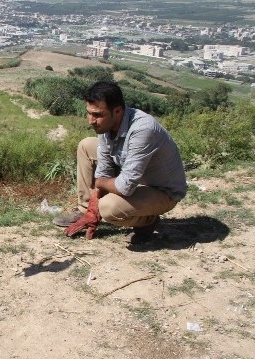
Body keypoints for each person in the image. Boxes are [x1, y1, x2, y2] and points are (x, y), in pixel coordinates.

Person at [53, 81, 187, 244]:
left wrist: (101, 183)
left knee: (108, 208)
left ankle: (148, 221)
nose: (91, 120)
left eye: (97, 115)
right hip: (133, 177)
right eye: (89, 113)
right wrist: (95, 200)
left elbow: (124, 186)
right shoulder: (106, 124)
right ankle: (86, 210)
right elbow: (104, 169)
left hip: (161, 191)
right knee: (86, 146)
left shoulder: (143, 129)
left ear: (117, 111)